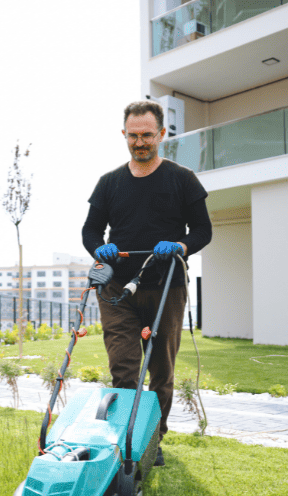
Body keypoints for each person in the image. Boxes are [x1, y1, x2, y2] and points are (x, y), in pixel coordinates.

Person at [82, 100, 212, 467]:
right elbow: (91, 229)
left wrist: (182, 246)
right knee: (122, 368)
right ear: (124, 134)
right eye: (133, 136)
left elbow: (203, 230)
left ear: (161, 135)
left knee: (161, 370)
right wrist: (99, 247)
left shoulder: (182, 179)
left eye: (147, 135)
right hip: (117, 288)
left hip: (165, 285)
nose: (140, 143)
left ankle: (153, 441)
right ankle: (125, 441)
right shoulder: (109, 183)